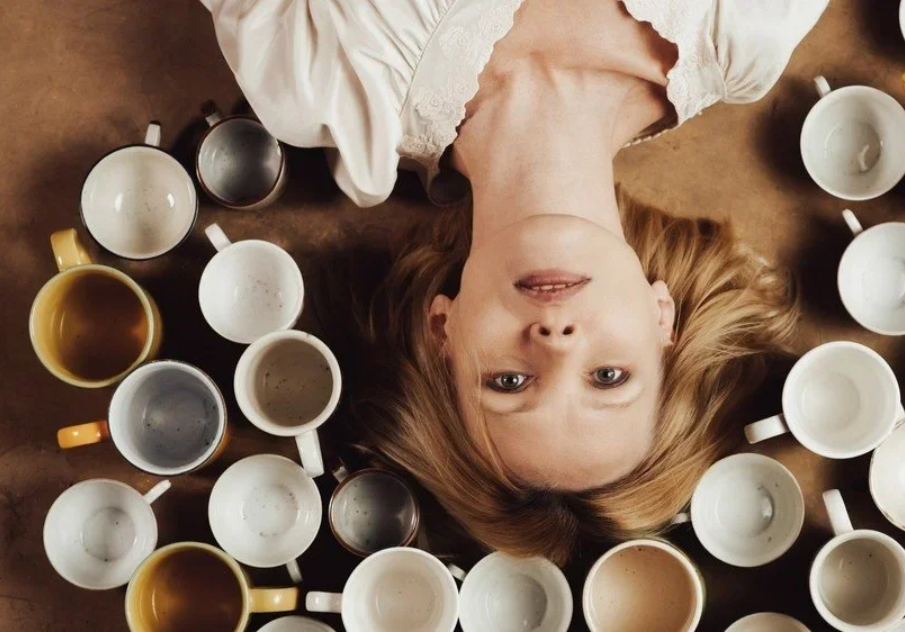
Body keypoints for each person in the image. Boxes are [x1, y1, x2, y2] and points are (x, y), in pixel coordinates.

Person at [203, 0, 826, 564]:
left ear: (442, 328)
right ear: (662, 317)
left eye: (508, 381)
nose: (555, 340)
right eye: (608, 376)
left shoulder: (324, 83)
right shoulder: (743, 30)